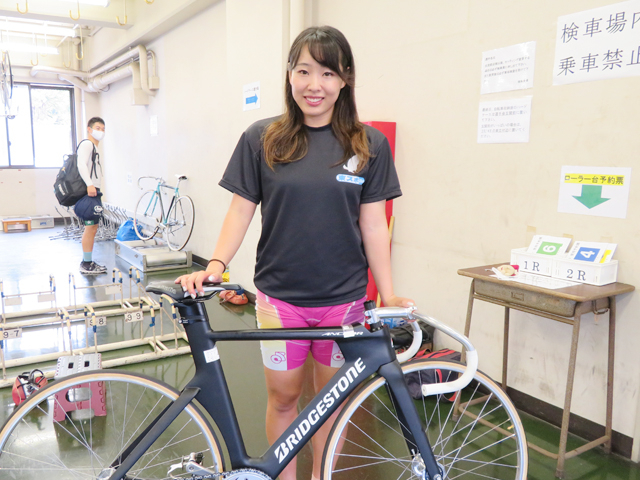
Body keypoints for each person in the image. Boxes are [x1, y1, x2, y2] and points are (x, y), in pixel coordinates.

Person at [177, 26, 413, 480]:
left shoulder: (368, 145)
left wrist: (388, 295)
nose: (314, 84)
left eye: (327, 73)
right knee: (284, 399)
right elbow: (241, 210)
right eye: (304, 71)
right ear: (289, 76)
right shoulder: (263, 138)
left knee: (332, 404)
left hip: (343, 305)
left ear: (345, 80)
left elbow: (373, 225)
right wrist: (216, 266)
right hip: (280, 301)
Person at [76, 117, 107, 275]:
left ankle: (88, 262)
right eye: (97, 128)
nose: (100, 131)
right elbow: (81, 164)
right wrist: (89, 184)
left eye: (102, 129)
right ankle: (86, 263)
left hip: (94, 189)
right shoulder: (87, 144)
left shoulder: (94, 147)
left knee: (93, 227)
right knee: (90, 227)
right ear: (89, 129)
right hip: (90, 190)